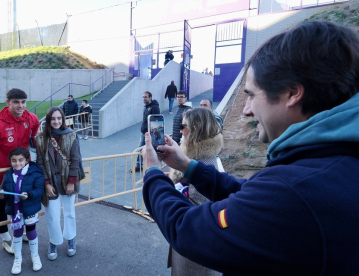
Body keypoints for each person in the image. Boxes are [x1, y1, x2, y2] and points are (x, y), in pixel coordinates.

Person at [141, 21, 359, 275]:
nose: (246, 110)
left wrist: (152, 174)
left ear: (292, 94)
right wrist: (187, 166)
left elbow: (187, 230)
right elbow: (251, 196)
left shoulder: (296, 190)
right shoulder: (330, 165)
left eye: (252, 95)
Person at [0, 88, 40, 254]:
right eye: (16, 102)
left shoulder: (31, 118)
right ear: (8, 103)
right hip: (3, 172)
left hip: (24, 171)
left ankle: (22, 230)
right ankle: (5, 239)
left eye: (23, 102)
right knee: (2, 203)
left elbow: (36, 138)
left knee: (24, 200)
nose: (20, 106)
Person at [167, 108, 224, 276]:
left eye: (183, 126)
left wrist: (156, 179)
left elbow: (193, 215)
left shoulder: (205, 164)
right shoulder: (197, 158)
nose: (180, 131)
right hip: (188, 247)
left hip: (194, 255)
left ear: (196, 128)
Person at [35, 107, 82, 261]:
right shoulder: (41, 138)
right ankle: (54, 241)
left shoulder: (71, 135)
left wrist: (71, 182)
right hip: (50, 182)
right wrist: (46, 184)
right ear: (48, 121)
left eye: (59, 118)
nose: (56, 121)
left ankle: (71, 239)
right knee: (52, 215)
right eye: (53, 119)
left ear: (63, 119)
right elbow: (40, 163)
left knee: (69, 212)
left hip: (67, 180)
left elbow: (75, 160)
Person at [0, 147, 44, 274]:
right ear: (10, 161)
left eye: (20, 160)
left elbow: (40, 190)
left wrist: (29, 194)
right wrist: (2, 195)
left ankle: (35, 256)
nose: (17, 163)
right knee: (17, 232)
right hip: (16, 210)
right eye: (14, 160)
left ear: (27, 160)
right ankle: (17, 259)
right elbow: (5, 192)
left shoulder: (35, 173)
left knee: (31, 230)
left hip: (29, 208)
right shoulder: (8, 175)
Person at [135, 91, 160, 172]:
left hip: (149, 134)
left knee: (143, 149)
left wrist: (152, 134)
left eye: (146, 97)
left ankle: (148, 165)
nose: (144, 98)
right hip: (144, 132)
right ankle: (139, 165)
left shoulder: (154, 107)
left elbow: (156, 121)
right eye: (143, 97)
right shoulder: (145, 107)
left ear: (150, 97)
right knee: (141, 149)